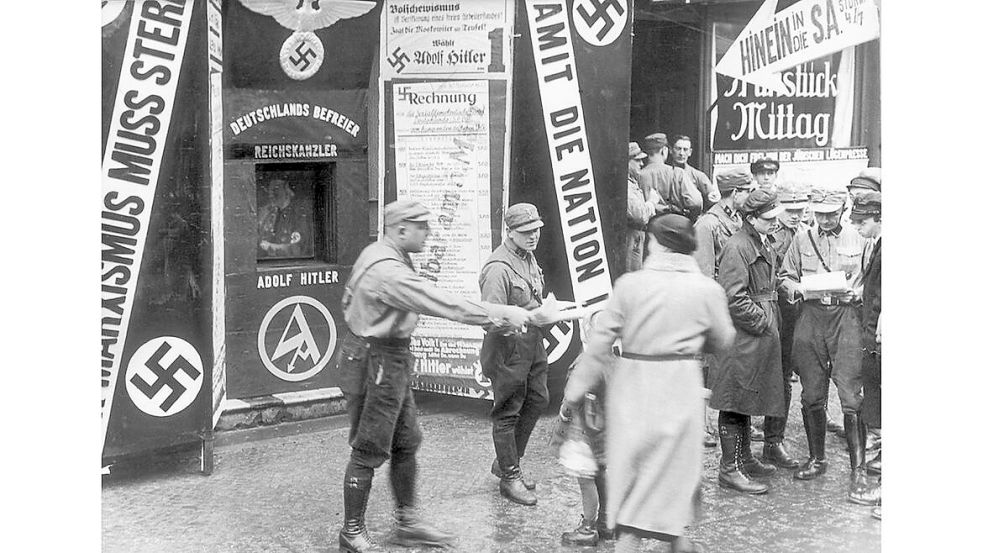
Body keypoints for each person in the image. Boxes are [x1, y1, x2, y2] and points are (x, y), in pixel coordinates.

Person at [336, 199, 534, 552]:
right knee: (368, 447)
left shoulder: (382, 252)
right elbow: (445, 304)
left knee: (406, 441)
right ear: (400, 230)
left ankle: (408, 524)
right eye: (422, 227)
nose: (428, 234)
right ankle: (352, 532)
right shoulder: (389, 271)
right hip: (377, 360)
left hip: (385, 358)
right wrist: (503, 313)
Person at [562, 214, 736, 553]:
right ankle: (676, 538)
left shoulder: (630, 285)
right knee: (674, 469)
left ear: (655, 244)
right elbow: (724, 338)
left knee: (634, 471)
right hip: (681, 386)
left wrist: (574, 392)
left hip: (634, 386)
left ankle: (636, 539)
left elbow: (599, 343)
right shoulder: (707, 289)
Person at [778, 188, 866, 483]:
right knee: (812, 392)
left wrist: (859, 293)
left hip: (845, 317)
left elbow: (873, 278)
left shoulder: (859, 237)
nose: (825, 220)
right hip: (812, 317)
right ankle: (816, 459)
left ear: (842, 209)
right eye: (819, 214)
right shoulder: (802, 239)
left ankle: (858, 468)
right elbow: (785, 276)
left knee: (850, 394)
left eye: (830, 214)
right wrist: (796, 289)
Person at [710, 189, 786, 494]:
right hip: (743, 338)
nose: (774, 223)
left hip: (756, 336)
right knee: (734, 400)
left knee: (746, 399)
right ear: (751, 219)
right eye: (768, 219)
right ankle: (729, 469)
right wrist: (762, 321)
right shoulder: (738, 246)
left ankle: (744, 458)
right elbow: (732, 297)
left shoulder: (759, 241)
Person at [479, 202, 552, 506]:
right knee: (508, 410)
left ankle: (506, 461)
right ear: (510, 232)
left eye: (536, 229)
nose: (534, 235)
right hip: (508, 346)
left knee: (538, 399)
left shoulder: (527, 256)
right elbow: (490, 319)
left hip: (531, 343)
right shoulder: (498, 268)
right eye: (526, 231)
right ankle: (510, 476)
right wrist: (527, 319)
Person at [693, 168, 756, 447]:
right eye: (746, 191)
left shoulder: (738, 218)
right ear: (735, 193)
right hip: (715, 306)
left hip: (737, 303)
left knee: (735, 366)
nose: (749, 195)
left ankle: (740, 423)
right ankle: (702, 425)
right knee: (707, 368)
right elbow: (704, 274)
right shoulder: (707, 225)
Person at [556, 311, 613, 546]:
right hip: (605, 433)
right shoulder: (612, 360)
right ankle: (607, 522)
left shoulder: (586, 362)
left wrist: (563, 417)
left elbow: (572, 397)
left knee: (585, 477)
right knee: (600, 473)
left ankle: (588, 527)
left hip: (584, 432)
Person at [848, 191, 882, 511]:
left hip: (880, 341)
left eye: (864, 221)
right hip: (872, 338)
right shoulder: (876, 246)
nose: (858, 227)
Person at [638, 133, 703, 220]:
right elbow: (696, 202)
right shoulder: (678, 173)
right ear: (664, 150)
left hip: (649, 227)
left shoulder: (639, 175)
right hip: (674, 225)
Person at [627, 142, 666, 271]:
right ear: (627, 161)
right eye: (637, 160)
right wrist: (651, 202)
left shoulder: (632, 181)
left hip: (637, 237)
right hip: (631, 237)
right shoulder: (627, 185)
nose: (642, 164)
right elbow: (640, 216)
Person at [257, 178, 311, 258]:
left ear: (287, 191)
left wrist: (270, 247)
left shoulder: (298, 215)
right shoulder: (267, 213)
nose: (271, 194)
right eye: (270, 189)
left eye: (276, 189)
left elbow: (297, 248)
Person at [668, 134, 720, 211]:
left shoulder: (698, 176)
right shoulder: (665, 173)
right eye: (678, 149)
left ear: (690, 152)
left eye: (685, 149)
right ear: (671, 150)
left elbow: (712, 200)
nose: (681, 153)